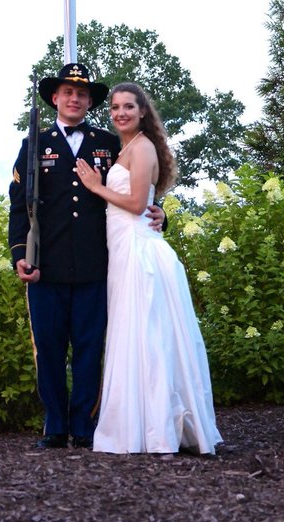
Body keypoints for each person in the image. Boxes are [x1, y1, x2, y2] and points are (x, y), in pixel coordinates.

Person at [8, 62, 163, 450]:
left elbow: (138, 188)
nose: (74, 99)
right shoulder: (34, 145)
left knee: (90, 350)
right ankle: (55, 425)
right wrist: (20, 255)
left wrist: (160, 213)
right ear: (55, 98)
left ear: (90, 102)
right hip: (47, 266)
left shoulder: (110, 144)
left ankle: (84, 425)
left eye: (82, 94)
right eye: (67, 92)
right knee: (49, 349)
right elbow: (19, 206)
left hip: (97, 266)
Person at [75, 81, 222, 454]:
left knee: (147, 337)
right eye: (114, 107)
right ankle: (139, 426)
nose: (120, 113)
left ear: (142, 112)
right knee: (134, 335)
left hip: (139, 251)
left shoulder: (141, 148)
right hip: (123, 249)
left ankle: (157, 430)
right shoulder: (125, 148)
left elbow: (139, 204)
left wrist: (95, 186)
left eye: (128, 106)